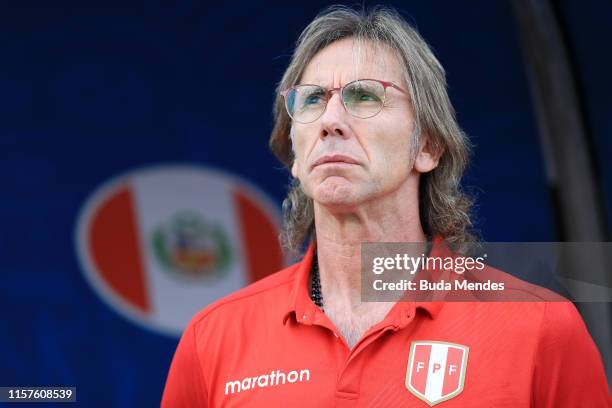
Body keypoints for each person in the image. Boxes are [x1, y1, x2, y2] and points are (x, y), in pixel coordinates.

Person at [162, 5, 611, 406]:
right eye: (313, 99)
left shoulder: (541, 326)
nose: (331, 122)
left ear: (429, 146)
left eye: (365, 96)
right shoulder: (212, 339)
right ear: (295, 156)